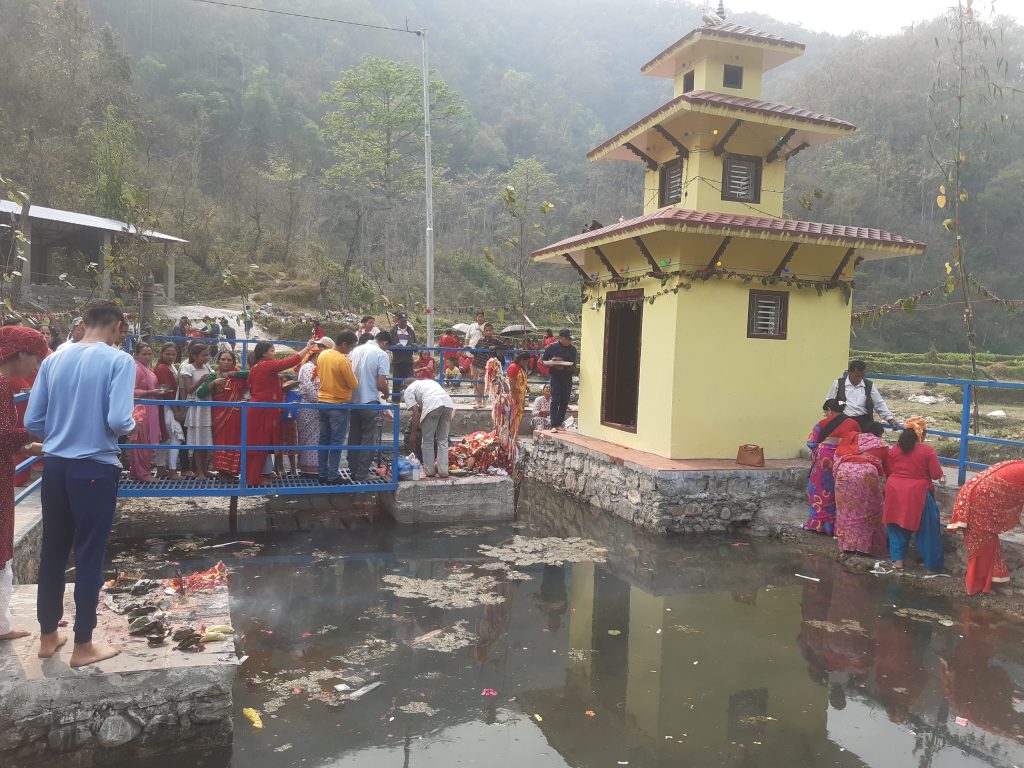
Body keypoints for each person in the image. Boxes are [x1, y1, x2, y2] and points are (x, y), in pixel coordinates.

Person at [25, 301, 136, 667]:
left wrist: (62, 433)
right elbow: (119, 420)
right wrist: (132, 423)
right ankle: (84, 645)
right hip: (95, 468)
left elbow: (32, 421)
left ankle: (47, 637)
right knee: (89, 554)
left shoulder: (54, 359)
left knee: (53, 553)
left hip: (55, 467)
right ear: (119, 326)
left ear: (83, 323)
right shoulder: (119, 361)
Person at [0, 326, 47, 642]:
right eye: (37, 357)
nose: (37, 365)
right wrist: (34, 432)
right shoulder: (3, 387)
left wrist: (36, 447)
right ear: (20, 353)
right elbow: (4, 437)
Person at [246, 339, 316, 487]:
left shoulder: (256, 367)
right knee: (259, 445)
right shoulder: (267, 365)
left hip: (259, 408)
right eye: (271, 350)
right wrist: (307, 348)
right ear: (263, 353)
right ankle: (254, 479)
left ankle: (254, 476)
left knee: (258, 445)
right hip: (263, 410)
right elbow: (289, 362)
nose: (274, 353)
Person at [947, 461, 1024, 595]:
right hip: (977, 502)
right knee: (981, 547)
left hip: (974, 496)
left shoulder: (1019, 465)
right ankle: (977, 587)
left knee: (990, 544)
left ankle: (994, 582)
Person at [883, 417, 944, 572]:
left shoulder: (895, 449)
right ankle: (932, 566)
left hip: (894, 490)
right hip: (918, 493)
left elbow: (890, 468)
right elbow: (936, 474)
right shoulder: (927, 451)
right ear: (921, 435)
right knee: (927, 529)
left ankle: (898, 562)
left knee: (896, 526)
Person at [804, 398, 860, 535]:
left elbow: (811, 443)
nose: (825, 416)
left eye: (825, 413)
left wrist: (823, 446)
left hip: (824, 459)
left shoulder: (822, 423)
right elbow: (859, 441)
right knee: (838, 493)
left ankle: (819, 524)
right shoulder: (854, 423)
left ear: (829, 410)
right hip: (843, 459)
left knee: (819, 490)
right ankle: (836, 527)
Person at [833, 423, 890, 557]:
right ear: (879, 434)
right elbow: (889, 469)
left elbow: (837, 455)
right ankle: (865, 548)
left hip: (843, 472)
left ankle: (847, 545)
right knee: (870, 511)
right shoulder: (881, 444)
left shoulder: (851, 439)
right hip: (866, 475)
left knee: (846, 511)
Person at [348, 331, 391, 483]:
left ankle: (353, 470)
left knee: (354, 437)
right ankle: (362, 473)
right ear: (385, 343)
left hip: (353, 400)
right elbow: (381, 383)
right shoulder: (381, 354)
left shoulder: (355, 350)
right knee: (368, 439)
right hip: (369, 401)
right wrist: (386, 394)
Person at [316, 331, 358, 483]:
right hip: (338, 404)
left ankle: (322, 473)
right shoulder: (342, 360)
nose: (351, 350)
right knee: (336, 442)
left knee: (323, 440)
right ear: (344, 344)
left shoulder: (323, 355)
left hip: (322, 402)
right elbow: (354, 384)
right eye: (351, 347)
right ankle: (333, 475)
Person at [402, 377, 454, 478]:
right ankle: (443, 471)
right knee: (443, 440)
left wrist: (412, 435)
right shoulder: (428, 382)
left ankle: (430, 471)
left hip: (432, 405)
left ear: (406, 386)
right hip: (448, 404)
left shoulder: (408, 390)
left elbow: (416, 413)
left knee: (427, 440)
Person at [296, 338, 333, 476]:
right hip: (311, 408)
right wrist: (323, 402)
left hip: (316, 407)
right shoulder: (308, 368)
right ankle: (310, 469)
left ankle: (315, 468)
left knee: (316, 437)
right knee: (310, 438)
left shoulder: (314, 368)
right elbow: (311, 390)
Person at [826, 361, 899, 431]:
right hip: (844, 422)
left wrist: (889, 418)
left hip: (864, 423)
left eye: (862, 376)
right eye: (857, 376)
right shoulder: (838, 384)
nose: (859, 379)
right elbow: (829, 403)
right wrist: (830, 419)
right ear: (849, 372)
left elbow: (879, 403)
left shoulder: (869, 385)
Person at [209, 350, 248, 481]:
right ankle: (222, 471)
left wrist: (234, 373)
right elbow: (202, 392)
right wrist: (214, 383)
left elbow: (251, 373)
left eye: (229, 360)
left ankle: (231, 471)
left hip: (236, 413)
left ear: (234, 362)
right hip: (219, 414)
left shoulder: (238, 375)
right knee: (221, 440)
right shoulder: (214, 376)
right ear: (218, 361)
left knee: (235, 440)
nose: (226, 362)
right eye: (223, 359)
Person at [179, 342, 215, 480]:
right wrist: (201, 380)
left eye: (208, 355)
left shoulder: (207, 367)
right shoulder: (188, 368)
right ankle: (198, 471)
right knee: (198, 441)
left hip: (207, 406)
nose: (206, 358)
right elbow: (189, 390)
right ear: (194, 356)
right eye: (203, 355)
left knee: (205, 440)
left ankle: (204, 470)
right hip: (196, 408)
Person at [129, 343, 163, 482]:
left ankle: (137, 471)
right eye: (144, 354)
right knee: (141, 440)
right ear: (136, 355)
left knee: (146, 440)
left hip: (150, 407)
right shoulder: (136, 368)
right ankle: (143, 473)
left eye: (150, 354)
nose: (148, 357)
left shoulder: (147, 368)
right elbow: (131, 390)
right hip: (140, 409)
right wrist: (150, 392)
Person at [153, 343, 182, 479]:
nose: (171, 357)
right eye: (168, 354)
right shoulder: (162, 369)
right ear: (161, 354)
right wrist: (175, 410)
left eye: (173, 354)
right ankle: (172, 469)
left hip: (168, 405)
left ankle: (160, 468)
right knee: (175, 437)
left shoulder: (171, 367)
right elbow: (167, 391)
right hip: (167, 406)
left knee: (164, 438)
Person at [540, 330, 578, 432]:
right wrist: (553, 362)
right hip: (555, 376)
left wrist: (564, 368)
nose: (570, 341)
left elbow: (573, 365)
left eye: (571, 339)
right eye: (568, 339)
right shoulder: (552, 347)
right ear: (561, 338)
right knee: (555, 400)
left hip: (567, 377)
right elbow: (543, 361)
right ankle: (553, 424)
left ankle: (559, 423)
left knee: (564, 400)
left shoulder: (573, 349)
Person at [389, 312, 417, 402]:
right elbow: (389, 344)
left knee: (410, 382)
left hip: (408, 359)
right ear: (398, 321)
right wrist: (395, 345)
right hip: (397, 360)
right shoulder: (393, 331)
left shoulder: (411, 331)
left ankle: (411, 401)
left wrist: (414, 345)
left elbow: (416, 345)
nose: (404, 323)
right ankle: (395, 402)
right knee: (396, 381)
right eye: (402, 321)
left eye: (405, 321)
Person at [471, 324, 497, 405]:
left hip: (484, 365)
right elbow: (475, 352)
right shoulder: (480, 341)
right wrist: (469, 349)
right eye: (487, 331)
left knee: (480, 382)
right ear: (484, 332)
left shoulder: (495, 341)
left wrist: (495, 347)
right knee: (475, 383)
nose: (488, 332)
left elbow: (505, 347)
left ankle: (483, 400)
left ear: (492, 331)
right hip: (475, 363)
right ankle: (478, 402)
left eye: (490, 330)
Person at [506, 351, 530, 435]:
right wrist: (514, 397)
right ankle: (509, 434)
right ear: (522, 360)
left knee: (517, 417)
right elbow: (511, 383)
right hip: (514, 397)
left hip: (521, 397)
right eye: (527, 361)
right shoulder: (513, 367)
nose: (527, 363)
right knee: (512, 416)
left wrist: (526, 386)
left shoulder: (520, 368)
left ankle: (514, 434)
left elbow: (521, 379)